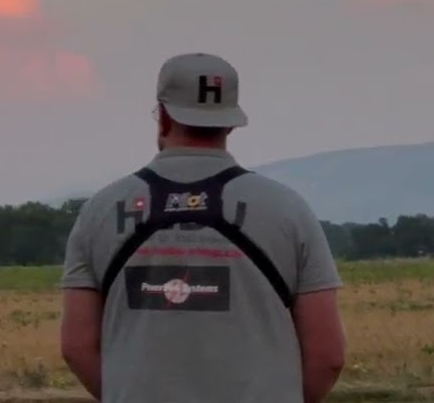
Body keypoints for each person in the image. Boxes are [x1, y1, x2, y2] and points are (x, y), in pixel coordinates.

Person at [58, 52, 346, 403]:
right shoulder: (288, 209)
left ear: (163, 117)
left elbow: (76, 347)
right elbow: (328, 357)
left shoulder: (100, 210)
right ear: (230, 124)